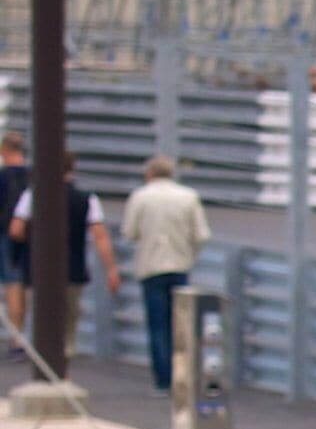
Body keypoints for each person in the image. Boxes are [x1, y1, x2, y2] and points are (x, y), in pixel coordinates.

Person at [121, 157, 209, 392]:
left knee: (157, 325)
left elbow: (129, 232)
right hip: (180, 265)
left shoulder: (140, 197)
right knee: (181, 325)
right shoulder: (188, 196)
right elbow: (201, 234)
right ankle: (183, 377)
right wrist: (190, 253)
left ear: (149, 174)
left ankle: (163, 380)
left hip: (151, 266)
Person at [10, 164, 117, 353]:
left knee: (42, 318)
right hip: (73, 268)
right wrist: (111, 269)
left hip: (39, 268)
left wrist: (33, 241)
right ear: (72, 170)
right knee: (69, 320)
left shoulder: (33, 195)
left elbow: (16, 229)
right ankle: (66, 354)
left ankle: (43, 356)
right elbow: (100, 236)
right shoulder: (87, 199)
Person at [0, 134, 28, 335]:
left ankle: (16, 335)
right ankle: (24, 332)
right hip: (32, 237)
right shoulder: (33, 176)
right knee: (25, 283)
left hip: (6, 234)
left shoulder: (3, 177)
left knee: (12, 283)